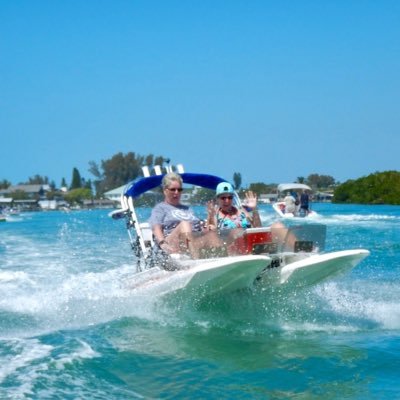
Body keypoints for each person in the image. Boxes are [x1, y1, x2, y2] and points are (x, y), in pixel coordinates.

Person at [149, 172, 220, 258]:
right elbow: (156, 228)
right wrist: (162, 243)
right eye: (173, 189)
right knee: (185, 224)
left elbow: (199, 227)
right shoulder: (160, 208)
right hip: (171, 244)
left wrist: (210, 217)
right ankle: (196, 259)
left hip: (190, 241)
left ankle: (224, 262)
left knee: (211, 234)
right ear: (165, 191)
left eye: (179, 190)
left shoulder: (187, 209)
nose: (176, 192)